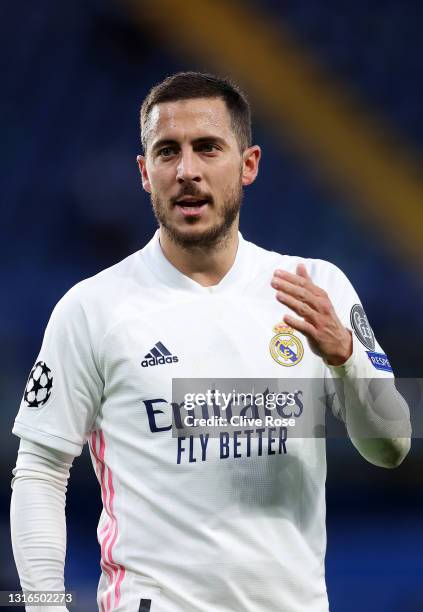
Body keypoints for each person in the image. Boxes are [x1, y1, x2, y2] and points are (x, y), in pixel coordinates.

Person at [10, 72, 411, 612]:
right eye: (167, 152)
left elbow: (392, 448)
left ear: (248, 165)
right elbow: (39, 471)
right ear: (145, 173)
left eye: (208, 148)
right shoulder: (92, 308)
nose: (187, 171)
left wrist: (346, 360)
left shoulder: (318, 286)